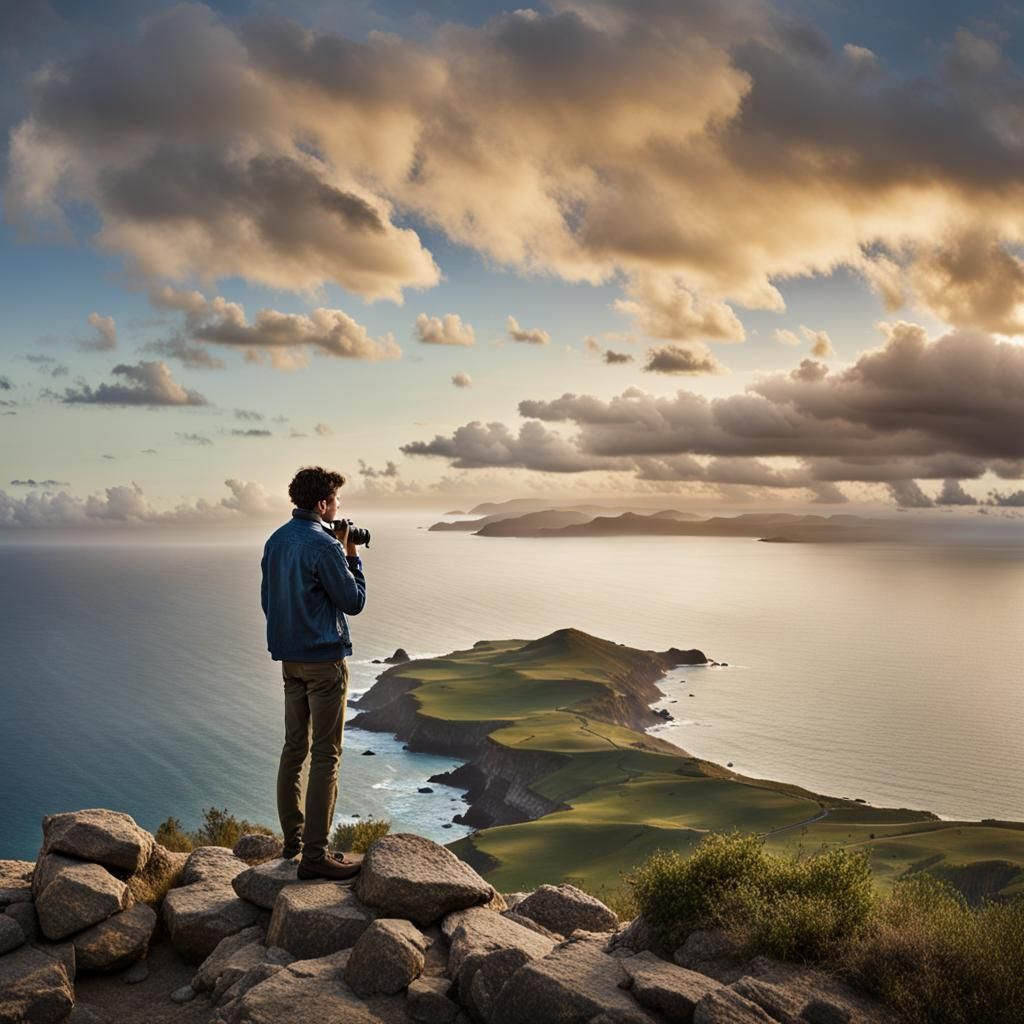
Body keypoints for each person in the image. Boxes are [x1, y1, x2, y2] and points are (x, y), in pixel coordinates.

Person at [260, 465, 367, 880]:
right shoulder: (325, 546)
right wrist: (350, 553)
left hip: (290, 661)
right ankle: (316, 856)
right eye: (336, 502)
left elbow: (269, 601)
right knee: (326, 755)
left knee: (293, 749)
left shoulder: (276, 541)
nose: (338, 510)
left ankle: (293, 842)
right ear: (323, 504)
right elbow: (353, 601)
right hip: (325, 662)